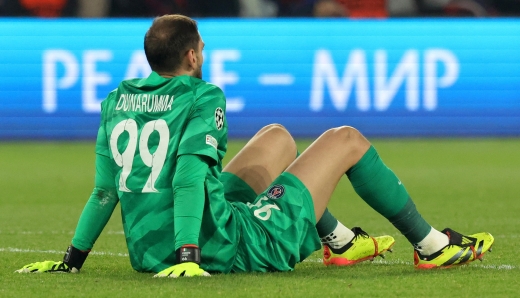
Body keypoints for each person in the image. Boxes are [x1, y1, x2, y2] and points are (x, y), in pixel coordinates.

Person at [16, 14, 493, 277]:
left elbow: (105, 191)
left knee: (277, 137)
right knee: (346, 140)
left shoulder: (116, 100)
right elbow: (185, 177)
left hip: (148, 252)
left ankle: (341, 241)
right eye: (200, 47)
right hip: (219, 246)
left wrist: (71, 261)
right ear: (192, 54)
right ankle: (432, 247)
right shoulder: (203, 96)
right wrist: (189, 256)